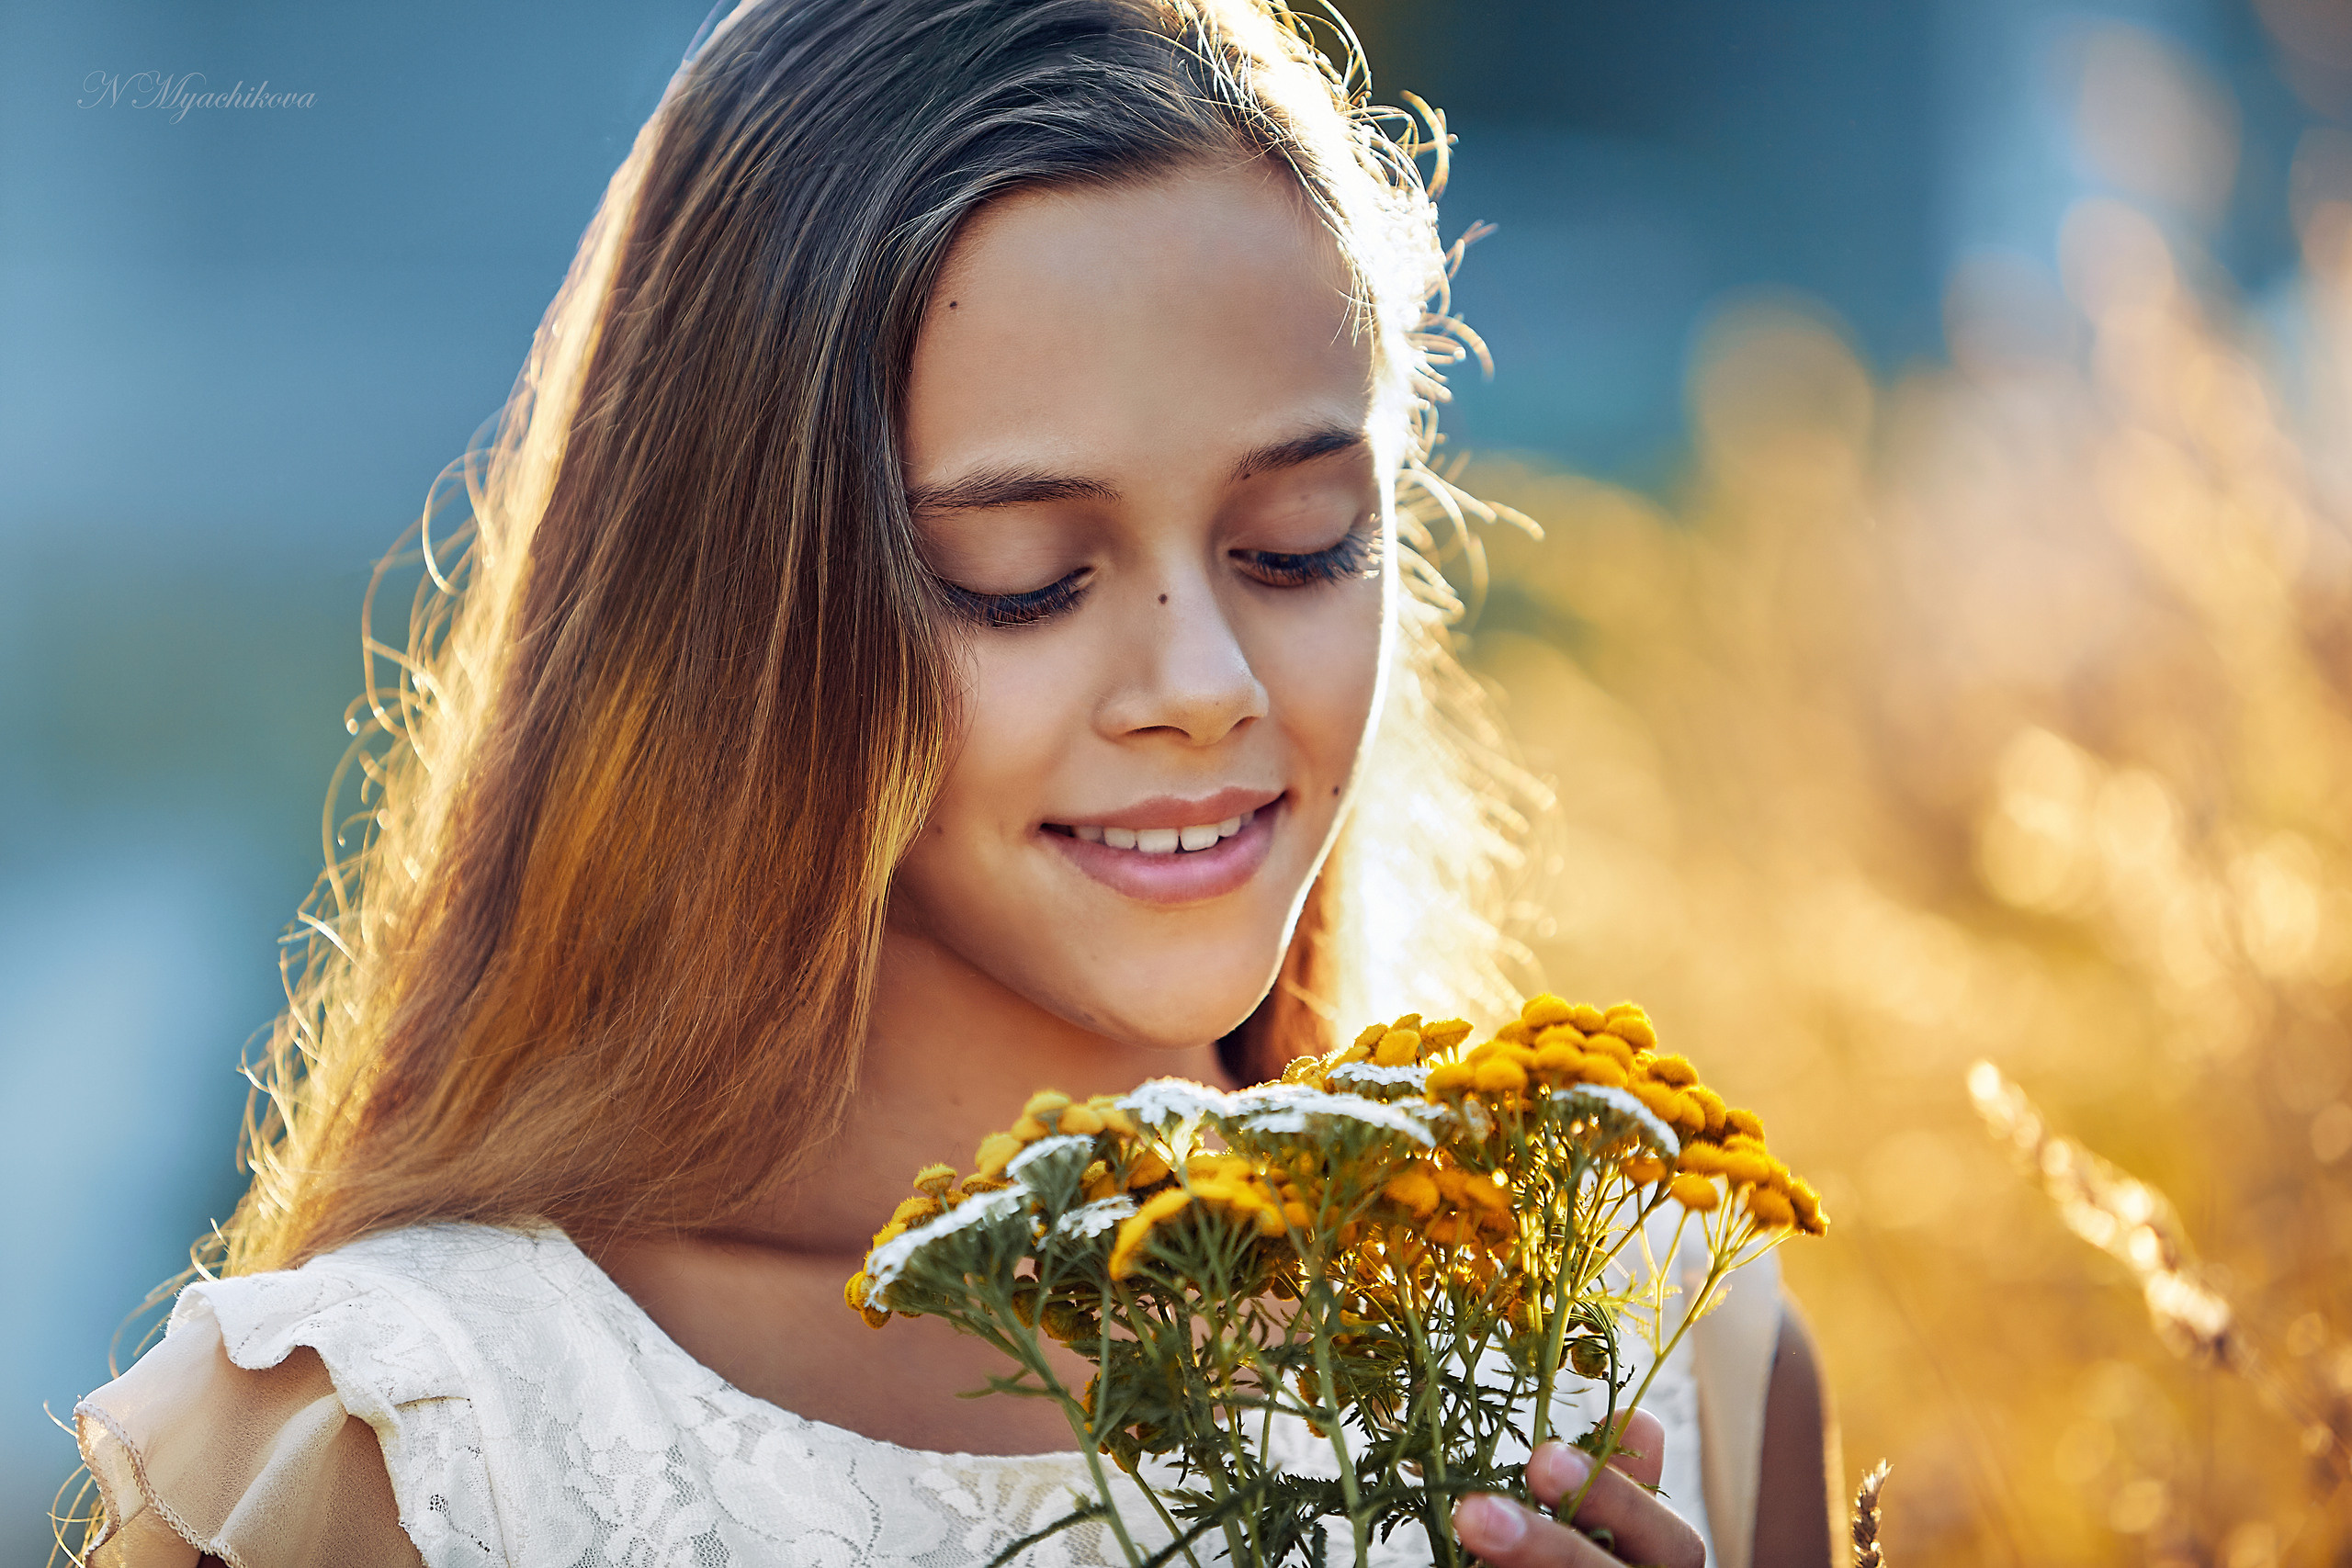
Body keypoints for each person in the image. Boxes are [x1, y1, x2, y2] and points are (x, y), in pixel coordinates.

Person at [63, 2, 1838, 1564]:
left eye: (1300, 544)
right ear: (735, 625)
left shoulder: (1642, 1354)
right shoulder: (397, 1445)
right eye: (1021, 574)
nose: (1202, 689)